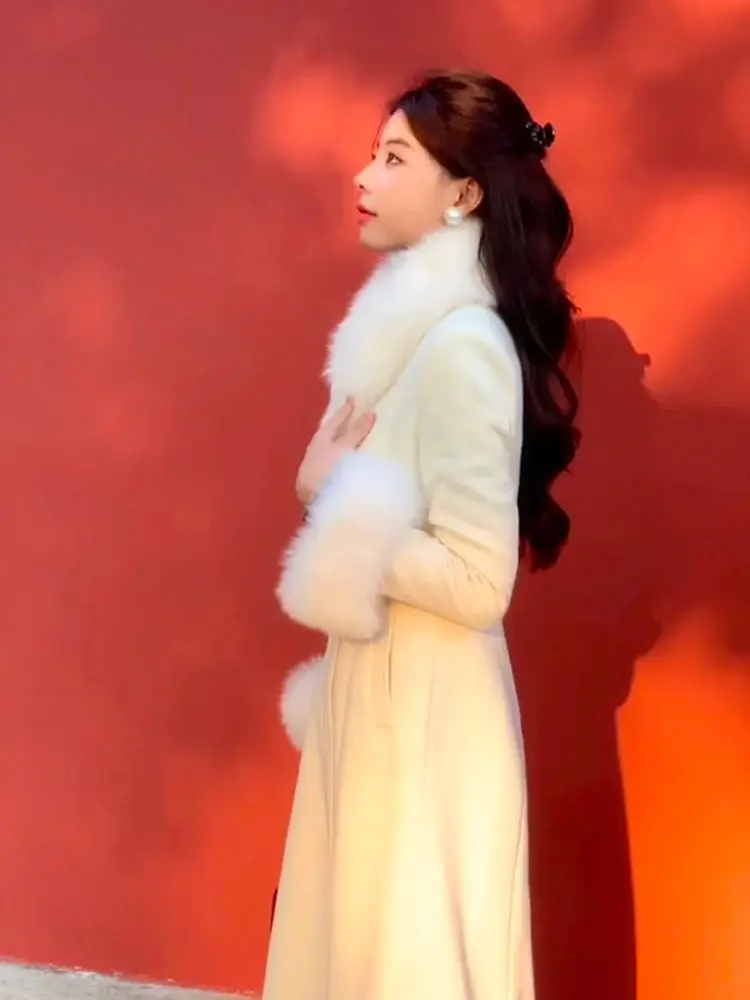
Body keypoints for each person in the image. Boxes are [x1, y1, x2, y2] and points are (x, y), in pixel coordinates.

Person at [263, 70, 579, 1000]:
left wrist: (336, 500)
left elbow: (479, 583)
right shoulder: (410, 345)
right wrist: (337, 503)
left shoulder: (463, 346)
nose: (365, 176)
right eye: (374, 154)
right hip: (380, 707)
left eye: (395, 158)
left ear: (464, 192)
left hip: (428, 726)